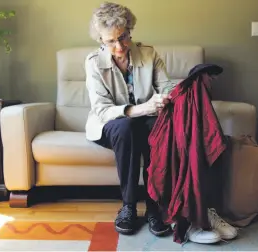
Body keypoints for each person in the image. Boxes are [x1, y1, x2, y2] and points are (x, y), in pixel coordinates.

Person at [84, 1, 237, 244]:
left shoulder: (148, 54)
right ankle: (129, 206)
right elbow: (102, 110)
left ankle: (156, 208)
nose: (119, 46)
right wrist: (140, 108)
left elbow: (165, 86)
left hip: (145, 121)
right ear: (101, 40)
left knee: (159, 129)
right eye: (110, 41)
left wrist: (179, 91)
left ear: (129, 31)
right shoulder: (93, 63)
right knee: (127, 127)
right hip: (110, 125)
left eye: (122, 37)